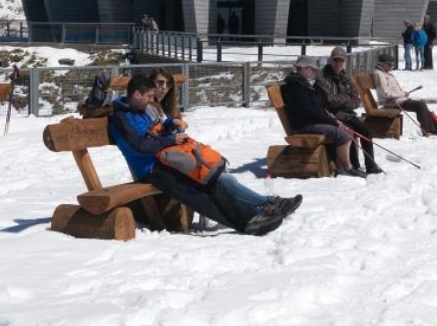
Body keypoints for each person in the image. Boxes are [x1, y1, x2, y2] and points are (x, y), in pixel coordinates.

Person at [108, 70, 300, 234]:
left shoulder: (140, 110)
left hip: (167, 160)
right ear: (136, 94)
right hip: (151, 170)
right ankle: (252, 218)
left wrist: (168, 124)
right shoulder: (121, 117)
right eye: (149, 97)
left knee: (215, 177)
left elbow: (154, 129)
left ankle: (264, 206)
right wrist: (168, 140)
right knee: (201, 192)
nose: (152, 101)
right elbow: (139, 146)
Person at [280, 57, 362, 176]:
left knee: (347, 130)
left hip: (309, 121)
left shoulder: (301, 84)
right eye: (312, 69)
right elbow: (308, 111)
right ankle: (347, 168)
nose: (314, 72)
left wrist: (328, 115)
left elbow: (315, 107)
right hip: (304, 125)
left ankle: (341, 165)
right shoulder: (296, 86)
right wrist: (330, 120)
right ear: (305, 68)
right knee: (343, 134)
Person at [314, 46, 380, 175]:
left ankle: (370, 166)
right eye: (335, 60)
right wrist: (346, 98)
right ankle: (353, 166)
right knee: (350, 131)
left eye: (341, 60)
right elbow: (328, 100)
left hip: (347, 114)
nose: (338, 63)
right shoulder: (322, 77)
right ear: (330, 61)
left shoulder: (347, 78)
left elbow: (356, 100)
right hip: (332, 115)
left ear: (345, 62)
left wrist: (344, 101)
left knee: (366, 131)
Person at [372, 50, 437, 135]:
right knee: (420, 105)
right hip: (392, 102)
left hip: (397, 100)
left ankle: (432, 129)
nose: (391, 66)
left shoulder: (384, 73)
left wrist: (403, 93)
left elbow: (391, 90)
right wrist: (402, 94)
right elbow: (385, 93)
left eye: (392, 64)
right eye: (389, 64)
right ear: (382, 64)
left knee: (421, 103)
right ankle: (427, 130)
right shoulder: (379, 74)